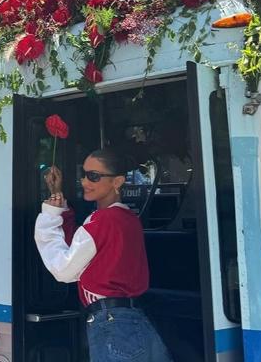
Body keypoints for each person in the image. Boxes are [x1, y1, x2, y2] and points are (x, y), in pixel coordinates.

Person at [34, 148, 172, 362]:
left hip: (112, 324)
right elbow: (81, 251)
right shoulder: (127, 219)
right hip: (134, 320)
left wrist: (50, 217)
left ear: (117, 182)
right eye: (84, 174)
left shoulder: (103, 221)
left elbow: (64, 269)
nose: (85, 181)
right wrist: (58, 199)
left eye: (94, 176)